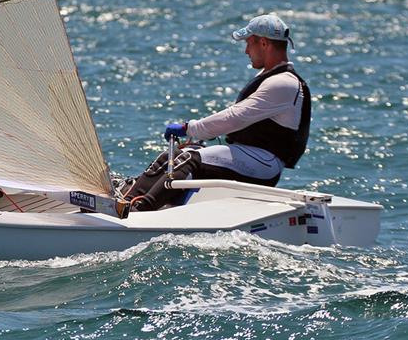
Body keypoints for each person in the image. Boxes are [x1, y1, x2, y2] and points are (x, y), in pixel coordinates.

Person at [125, 14, 311, 211]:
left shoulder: (284, 83)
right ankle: (127, 199)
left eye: (249, 43)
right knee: (173, 156)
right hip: (248, 155)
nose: (246, 50)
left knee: (189, 159)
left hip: (264, 164)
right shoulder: (269, 77)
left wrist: (190, 128)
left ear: (263, 43)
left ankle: (140, 211)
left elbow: (234, 117)